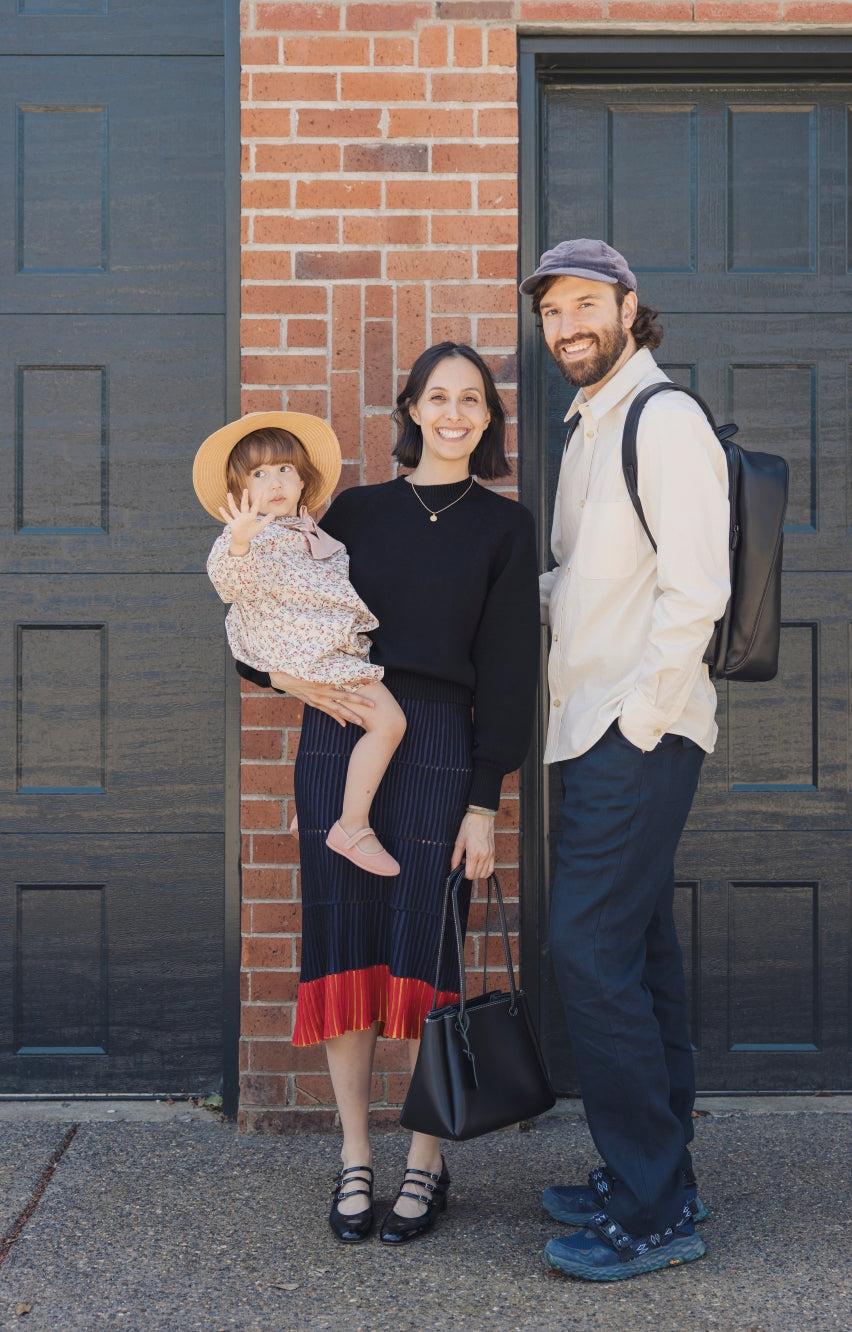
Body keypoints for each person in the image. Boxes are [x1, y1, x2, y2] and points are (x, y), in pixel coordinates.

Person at [233, 346, 538, 1246]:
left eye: (471, 400)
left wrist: (484, 800)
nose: (453, 413)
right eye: (436, 397)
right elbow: (261, 617)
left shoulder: (504, 527)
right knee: (346, 946)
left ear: (487, 417)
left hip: (441, 741)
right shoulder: (353, 513)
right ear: (409, 407)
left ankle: (425, 1162)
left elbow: (511, 674)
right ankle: (355, 1159)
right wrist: (287, 680)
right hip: (339, 733)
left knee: (425, 947)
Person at [520, 239, 731, 1281]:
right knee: (637, 957)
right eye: (553, 311)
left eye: (584, 304)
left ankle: (652, 1212)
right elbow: (578, 584)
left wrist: (640, 722)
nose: (567, 326)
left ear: (628, 306)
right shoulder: (587, 430)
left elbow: (698, 589)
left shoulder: (664, 419)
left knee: (585, 955)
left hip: (630, 731)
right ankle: (658, 1174)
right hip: (588, 726)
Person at [194, 414, 406, 876]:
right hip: (303, 653)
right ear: (240, 491)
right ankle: (352, 827)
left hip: (324, 652)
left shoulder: (311, 532)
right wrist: (239, 542)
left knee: (346, 726)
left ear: (304, 479)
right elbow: (229, 583)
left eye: (285, 469)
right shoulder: (252, 536)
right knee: (389, 723)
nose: (275, 482)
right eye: (259, 474)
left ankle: (319, 809)